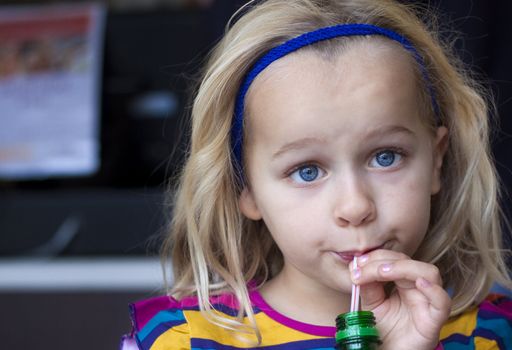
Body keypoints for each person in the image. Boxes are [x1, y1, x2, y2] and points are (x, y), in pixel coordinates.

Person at [121, 0, 512, 349]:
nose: (355, 206)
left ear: (436, 161)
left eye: (386, 157)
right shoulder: (180, 340)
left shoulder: (490, 335)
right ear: (247, 188)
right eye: (307, 171)